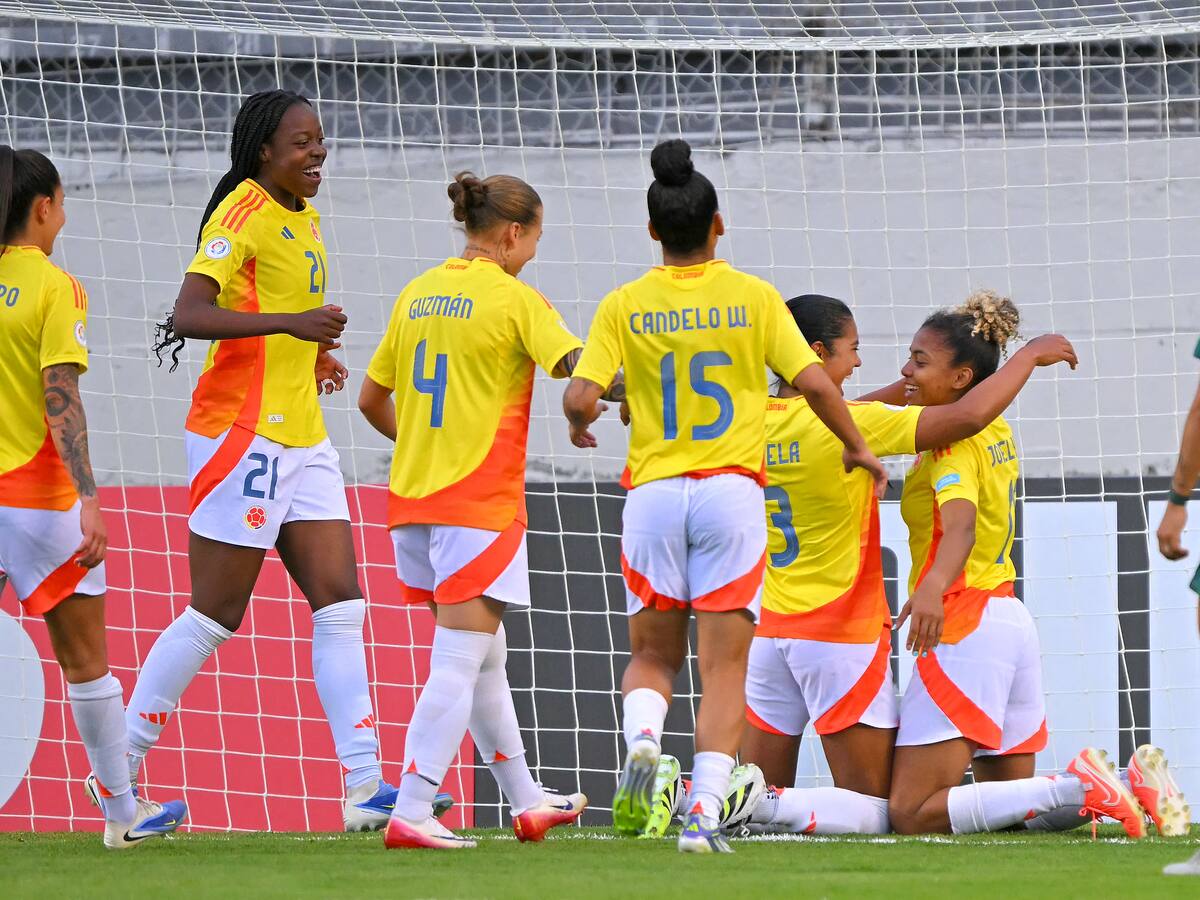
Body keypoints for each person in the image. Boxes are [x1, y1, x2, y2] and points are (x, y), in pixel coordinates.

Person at [562, 139, 887, 853]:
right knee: (724, 667)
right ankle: (704, 817)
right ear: (718, 226)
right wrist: (859, 447)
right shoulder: (754, 297)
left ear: (653, 232)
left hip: (652, 494)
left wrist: (582, 422)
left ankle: (644, 746)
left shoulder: (624, 303)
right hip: (730, 495)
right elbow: (815, 384)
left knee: (651, 657)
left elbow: (581, 394)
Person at [124, 89, 400, 832]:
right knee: (215, 616)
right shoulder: (239, 212)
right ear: (264, 153)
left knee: (341, 603)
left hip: (302, 434)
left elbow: (274, 327)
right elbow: (189, 314)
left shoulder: (305, 218)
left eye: (321, 141)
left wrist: (311, 356)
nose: (318, 153)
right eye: (303, 142)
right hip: (241, 434)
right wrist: (292, 323)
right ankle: (118, 778)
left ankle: (366, 786)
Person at [728, 293, 1077, 837]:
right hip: (845, 632)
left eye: (917, 360)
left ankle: (698, 797)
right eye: (853, 349)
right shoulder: (868, 426)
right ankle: (1094, 789)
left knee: (759, 810)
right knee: (888, 814)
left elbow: (860, 408)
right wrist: (1027, 357)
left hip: (772, 630)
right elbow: (968, 413)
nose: (869, 362)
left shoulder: (746, 421)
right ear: (817, 354)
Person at [875, 292, 1166, 838]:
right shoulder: (995, 427)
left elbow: (959, 524)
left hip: (962, 625)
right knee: (1006, 817)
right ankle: (1126, 786)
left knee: (911, 813)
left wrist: (934, 583)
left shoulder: (949, 446)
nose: (904, 370)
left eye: (918, 360)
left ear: (962, 378)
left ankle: (1079, 785)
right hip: (1008, 621)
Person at [359, 171, 589, 850]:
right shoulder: (517, 300)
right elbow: (579, 369)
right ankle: (413, 806)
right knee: (458, 660)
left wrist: (429, 443)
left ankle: (527, 803)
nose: (534, 253)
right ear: (514, 234)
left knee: (485, 657)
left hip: (414, 500)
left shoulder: (417, 292)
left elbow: (373, 400)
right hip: (478, 505)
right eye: (535, 239)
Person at [0, 146, 186, 848]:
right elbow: (60, 394)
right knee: (85, 662)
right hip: (38, 500)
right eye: (63, 203)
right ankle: (121, 813)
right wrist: (89, 495)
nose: (66, 216)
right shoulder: (57, 287)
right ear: (42, 206)